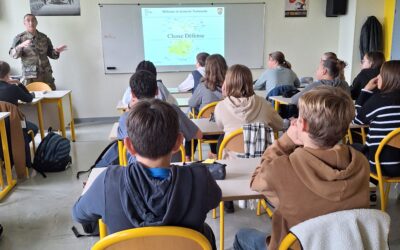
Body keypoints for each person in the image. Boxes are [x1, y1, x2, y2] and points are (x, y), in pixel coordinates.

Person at [72, 99, 221, 249]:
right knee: (205, 232)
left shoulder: (109, 181)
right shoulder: (200, 179)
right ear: (178, 142)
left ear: (128, 146)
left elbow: (79, 214)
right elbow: (215, 199)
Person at [234, 86, 370, 250]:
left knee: (242, 236)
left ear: (303, 125)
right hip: (343, 244)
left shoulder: (282, 168)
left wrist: (285, 141)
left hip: (295, 246)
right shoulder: (361, 163)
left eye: (298, 117)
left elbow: (255, 181)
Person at [118, 70, 202, 163]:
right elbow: (198, 134)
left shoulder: (125, 118)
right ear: (157, 91)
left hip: (137, 169)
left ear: (132, 94)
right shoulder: (173, 110)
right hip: (173, 166)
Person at [215, 64, 283, 154]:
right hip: (261, 161)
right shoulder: (264, 104)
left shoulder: (221, 106)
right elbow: (279, 125)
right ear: (250, 82)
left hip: (232, 162)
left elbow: (221, 127)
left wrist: (225, 97)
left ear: (227, 83)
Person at [353, 60, 400, 177]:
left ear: (389, 78)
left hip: (381, 165)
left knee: (349, 148)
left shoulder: (379, 100)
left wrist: (365, 90)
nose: (377, 77)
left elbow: (357, 121)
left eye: (381, 73)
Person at [9, 14, 67, 90]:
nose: (31, 23)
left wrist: (56, 51)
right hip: (30, 76)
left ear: (36, 22)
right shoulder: (20, 38)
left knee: (50, 97)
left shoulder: (44, 37)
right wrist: (20, 46)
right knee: (31, 99)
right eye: (28, 20)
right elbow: (12, 55)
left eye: (33, 20)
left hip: (46, 74)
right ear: (24, 23)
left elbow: (52, 55)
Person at [187, 54, 226, 159]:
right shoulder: (230, 87)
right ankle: (215, 152)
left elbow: (191, 103)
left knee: (191, 124)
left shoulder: (202, 86)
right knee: (215, 120)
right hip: (225, 130)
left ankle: (187, 156)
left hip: (205, 131)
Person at [0, 61, 38, 169]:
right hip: (15, 124)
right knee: (33, 128)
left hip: (1, 126)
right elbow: (29, 98)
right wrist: (19, 83)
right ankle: (17, 149)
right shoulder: (13, 88)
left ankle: (7, 154)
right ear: (8, 74)